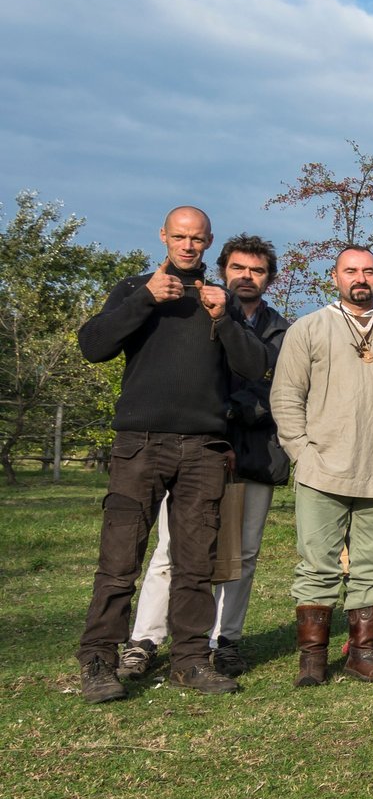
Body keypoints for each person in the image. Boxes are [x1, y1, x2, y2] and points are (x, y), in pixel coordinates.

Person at [74, 207, 268, 702]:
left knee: (194, 563)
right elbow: (93, 346)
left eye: (197, 239)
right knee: (120, 559)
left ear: (208, 243)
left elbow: (254, 366)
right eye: (179, 237)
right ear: (163, 236)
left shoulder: (219, 298)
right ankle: (98, 661)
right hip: (139, 443)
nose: (188, 246)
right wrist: (143, 300)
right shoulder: (135, 288)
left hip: (203, 448)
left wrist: (222, 318)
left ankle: (189, 661)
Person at [118, 234, 289, 683]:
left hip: (254, 452)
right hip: (195, 447)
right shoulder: (196, 308)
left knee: (243, 552)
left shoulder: (282, 330)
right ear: (223, 269)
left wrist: (231, 412)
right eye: (238, 268)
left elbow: (280, 390)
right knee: (173, 549)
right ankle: (146, 639)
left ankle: (223, 640)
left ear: (269, 279)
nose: (246, 277)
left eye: (257, 270)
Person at [273, 246, 373, 687]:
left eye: (368, 271)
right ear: (336, 276)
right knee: (316, 565)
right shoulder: (309, 328)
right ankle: (313, 659)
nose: (360, 278)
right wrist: (302, 454)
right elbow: (286, 398)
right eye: (350, 271)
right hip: (321, 467)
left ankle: (363, 652)